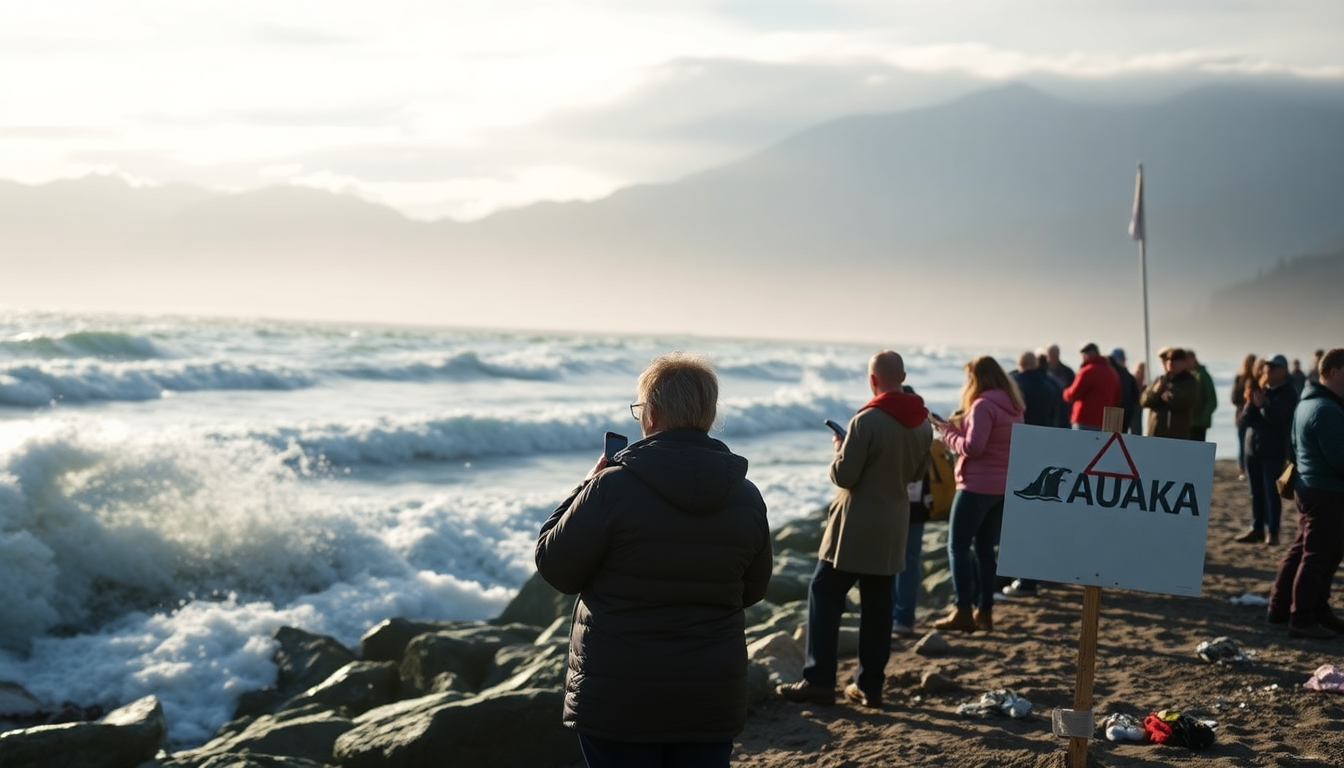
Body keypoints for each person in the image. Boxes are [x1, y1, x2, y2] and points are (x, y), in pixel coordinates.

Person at [535, 352, 772, 767]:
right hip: (708, 696)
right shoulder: (747, 496)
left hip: (619, 697)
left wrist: (584, 486)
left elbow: (555, 564)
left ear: (652, 414)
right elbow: (753, 588)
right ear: (708, 414)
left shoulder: (612, 487)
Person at [778, 350, 931, 709]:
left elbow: (845, 476)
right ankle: (870, 686)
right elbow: (917, 476)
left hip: (856, 525)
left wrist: (839, 450)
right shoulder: (924, 425)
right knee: (878, 607)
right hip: (894, 522)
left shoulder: (867, 420)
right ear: (903, 375)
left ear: (873, 380)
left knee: (824, 592)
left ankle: (818, 680)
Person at [930, 356, 1025, 632]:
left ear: (978, 379)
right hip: (1003, 486)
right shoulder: (1014, 406)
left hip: (976, 486)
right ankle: (984, 611)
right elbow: (997, 443)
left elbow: (974, 448)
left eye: (969, 378)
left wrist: (947, 433)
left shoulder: (983, 405)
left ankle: (962, 610)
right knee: (985, 550)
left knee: (957, 546)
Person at [1267, 348, 1344, 640]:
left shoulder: (1308, 402)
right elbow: (1339, 458)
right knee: (1319, 557)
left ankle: (1282, 608)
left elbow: (1296, 448)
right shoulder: (1325, 408)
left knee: (1303, 550)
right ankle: (1302, 618)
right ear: (1334, 372)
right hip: (1325, 491)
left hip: (1311, 487)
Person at [1235, 354, 1299, 546]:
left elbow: (1280, 419)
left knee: (1272, 494)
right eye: (1267, 367)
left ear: (1284, 371)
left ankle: (1273, 531)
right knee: (1255, 492)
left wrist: (1262, 405)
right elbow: (1244, 421)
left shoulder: (1289, 392)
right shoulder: (1261, 389)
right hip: (1252, 449)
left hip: (1273, 451)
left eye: (1273, 368)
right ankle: (1257, 528)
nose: (1268, 371)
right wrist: (1251, 404)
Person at [1141, 347, 1199, 439]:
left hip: (1177, 436)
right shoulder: (1160, 380)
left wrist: (1167, 396)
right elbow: (1144, 401)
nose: (1170, 363)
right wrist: (1155, 392)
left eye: (1175, 360)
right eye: (1168, 360)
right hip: (1155, 434)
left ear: (1183, 362)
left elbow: (1184, 401)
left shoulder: (1189, 381)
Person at [1062, 342, 1121, 431]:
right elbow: (1117, 398)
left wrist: (1065, 393)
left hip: (1084, 420)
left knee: (1080, 444)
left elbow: (1073, 394)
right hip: (1105, 422)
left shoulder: (1087, 372)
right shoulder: (1113, 373)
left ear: (1089, 354)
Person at [1010, 350, 1064, 428]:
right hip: (1043, 430)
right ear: (1036, 364)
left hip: (1019, 430)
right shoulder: (1050, 385)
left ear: (1020, 363)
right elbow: (1054, 413)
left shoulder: (1013, 384)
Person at [1232, 353, 1258, 480]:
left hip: (1250, 414)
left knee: (1247, 442)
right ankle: (1243, 468)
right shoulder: (1241, 379)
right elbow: (1234, 398)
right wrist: (1247, 401)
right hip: (1243, 413)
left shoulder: (1257, 379)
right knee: (1243, 442)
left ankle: (1245, 469)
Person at [1188, 349, 1218, 442]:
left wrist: (1202, 416)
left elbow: (1212, 400)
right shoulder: (1190, 375)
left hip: (1198, 423)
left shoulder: (1203, 375)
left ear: (1193, 359)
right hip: (1189, 422)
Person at [1109, 348, 1141, 435]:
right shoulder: (1126, 376)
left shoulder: (1113, 374)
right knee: (1113, 441)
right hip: (1115, 413)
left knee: (1111, 441)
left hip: (1116, 413)